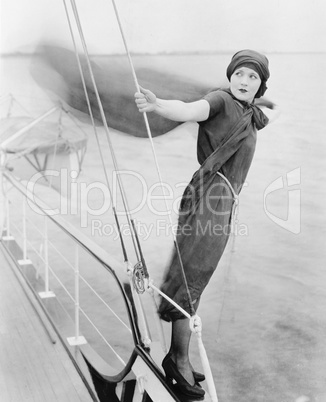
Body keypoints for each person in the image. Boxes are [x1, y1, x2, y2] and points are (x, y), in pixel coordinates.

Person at [135, 49, 276, 399]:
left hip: (222, 200)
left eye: (253, 77)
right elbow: (191, 110)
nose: (244, 81)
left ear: (259, 85)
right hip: (210, 198)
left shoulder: (247, 110)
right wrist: (158, 106)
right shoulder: (220, 100)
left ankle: (177, 354)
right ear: (230, 77)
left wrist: (264, 100)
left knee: (196, 275)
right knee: (192, 276)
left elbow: (256, 105)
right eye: (239, 74)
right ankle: (178, 360)